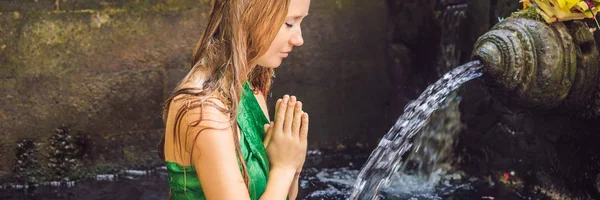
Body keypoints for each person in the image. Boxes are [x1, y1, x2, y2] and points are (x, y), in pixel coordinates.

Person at [158, 0, 311, 199]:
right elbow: (279, 177)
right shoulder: (203, 111)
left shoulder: (251, 83)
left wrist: (293, 164)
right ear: (249, 14)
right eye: (289, 23)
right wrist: (283, 168)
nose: (299, 39)